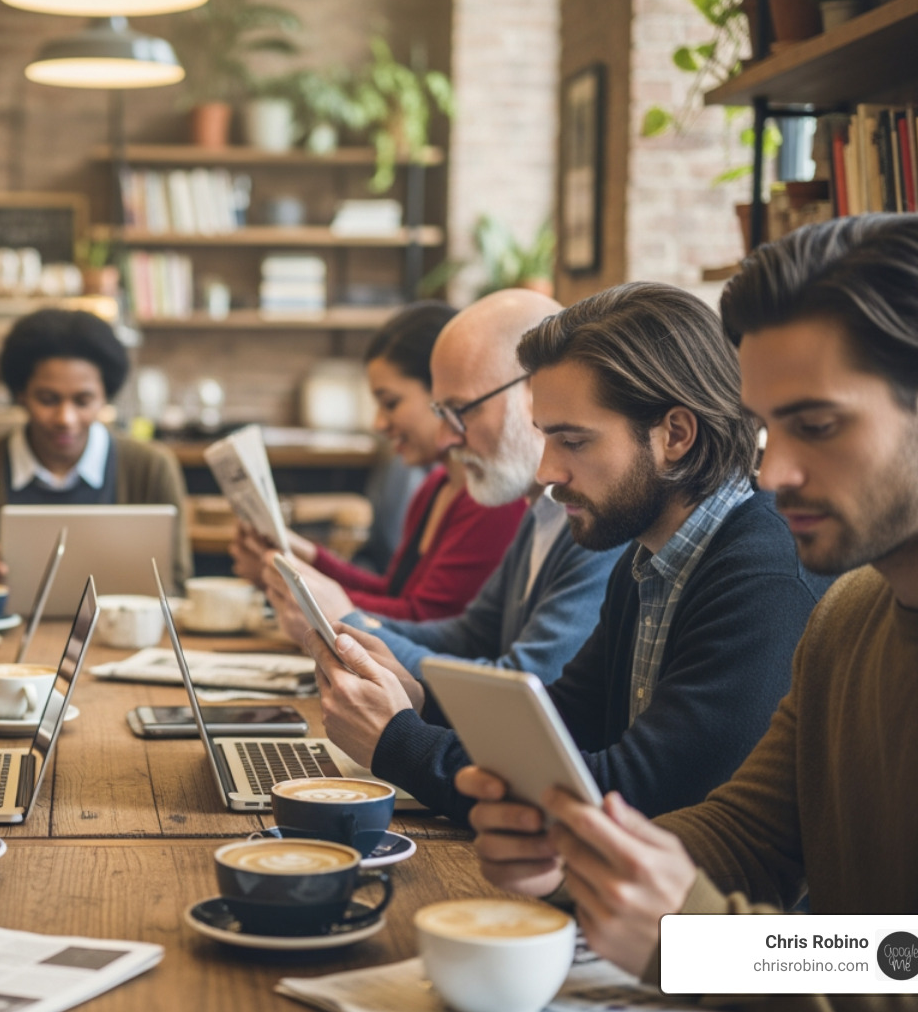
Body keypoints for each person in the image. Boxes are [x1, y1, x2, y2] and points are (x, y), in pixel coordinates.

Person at [463, 215, 918, 1005]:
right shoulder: (848, 620)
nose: (775, 474)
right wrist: (578, 862)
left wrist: (708, 945)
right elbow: (746, 836)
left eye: (818, 425)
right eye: (767, 429)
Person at [299, 282, 828, 823]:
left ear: (675, 434)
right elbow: (561, 724)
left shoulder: (765, 577)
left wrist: (398, 742)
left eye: (573, 442)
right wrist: (421, 703)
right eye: (545, 438)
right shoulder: (645, 558)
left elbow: (633, 792)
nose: (548, 472)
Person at [264, 290, 622, 773]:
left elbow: (528, 689)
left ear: (534, 393)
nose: (449, 438)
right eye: (442, 414)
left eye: (462, 411)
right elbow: (470, 633)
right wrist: (353, 628)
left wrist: (353, 623)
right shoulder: (541, 512)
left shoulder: (594, 523)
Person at [232, 300, 527, 622]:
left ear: (441, 390)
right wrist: (308, 559)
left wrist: (299, 592)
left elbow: (423, 618)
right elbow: (394, 594)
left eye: (391, 403)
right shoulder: (434, 488)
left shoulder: (492, 500)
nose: (378, 423)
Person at [0, 307, 193, 586]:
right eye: (48, 399)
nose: (65, 419)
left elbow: (178, 582)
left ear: (104, 398)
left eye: (83, 401)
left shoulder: (150, 468)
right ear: (21, 395)